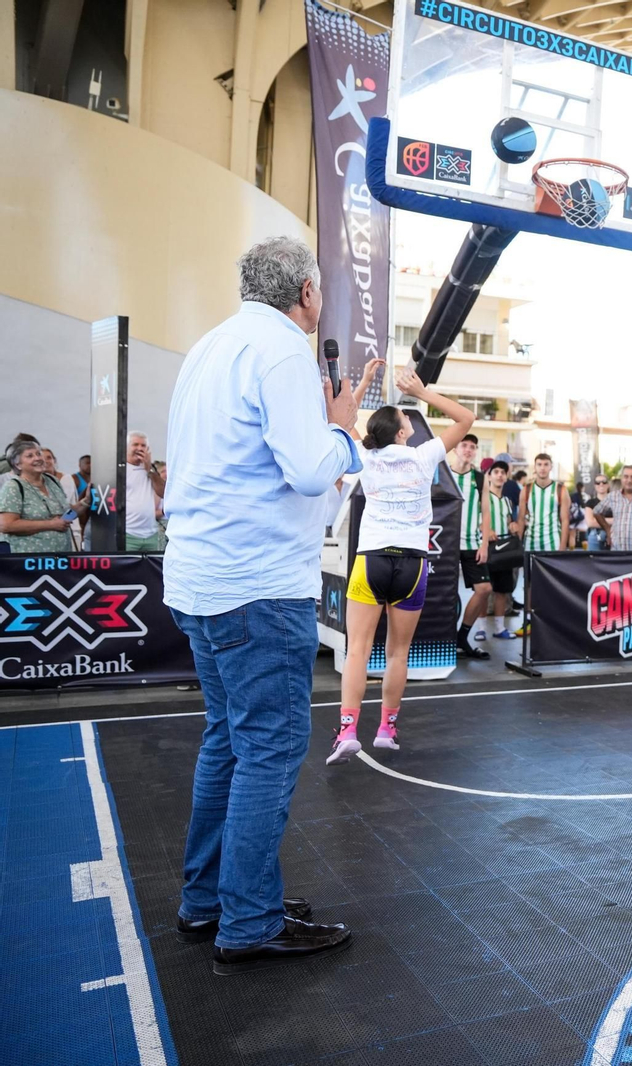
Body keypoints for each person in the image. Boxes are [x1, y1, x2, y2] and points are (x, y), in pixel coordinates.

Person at [162, 236, 370, 973]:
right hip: (256, 587)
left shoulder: (210, 346)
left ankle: (209, 899)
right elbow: (311, 471)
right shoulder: (283, 352)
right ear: (306, 292)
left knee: (228, 739)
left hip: (200, 578)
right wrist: (342, 427)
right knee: (269, 750)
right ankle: (248, 918)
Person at [327, 366, 472, 765]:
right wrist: (421, 393)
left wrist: (364, 383)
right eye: (406, 417)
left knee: (357, 650)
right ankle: (386, 729)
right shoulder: (424, 456)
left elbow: (341, 420)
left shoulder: (367, 457)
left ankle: (348, 731)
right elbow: (466, 419)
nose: (409, 418)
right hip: (412, 565)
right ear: (403, 432)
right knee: (398, 652)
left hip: (372, 559)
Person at [447, 434, 495, 659]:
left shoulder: (479, 478)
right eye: (464, 445)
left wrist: (484, 545)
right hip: (446, 543)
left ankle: (462, 637)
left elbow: (486, 513)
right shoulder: (443, 473)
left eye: (473, 447)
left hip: (471, 543)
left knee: (484, 589)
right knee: (443, 592)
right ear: (455, 449)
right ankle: (441, 637)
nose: (468, 449)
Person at [0, 439, 86, 552]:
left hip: (59, 557)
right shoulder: (14, 487)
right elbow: (6, 525)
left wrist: (85, 502)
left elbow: (65, 516)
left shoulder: (52, 481)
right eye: (30, 456)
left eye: (38, 453)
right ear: (18, 465)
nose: (38, 458)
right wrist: (51, 524)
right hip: (29, 558)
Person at [483, 461, 518, 639]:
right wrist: (485, 530)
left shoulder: (507, 501)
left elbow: (510, 522)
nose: (499, 475)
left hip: (503, 549)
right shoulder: (482, 498)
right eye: (495, 472)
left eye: (502, 472)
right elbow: (474, 521)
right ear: (489, 476)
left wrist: (513, 526)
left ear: (506, 476)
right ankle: (481, 628)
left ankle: (499, 628)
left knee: (502, 591)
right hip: (485, 548)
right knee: (483, 590)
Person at [122, 431, 167, 552]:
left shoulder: (151, 469)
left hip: (150, 533)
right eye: (135, 445)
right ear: (126, 448)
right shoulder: (121, 469)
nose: (140, 448)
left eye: (143, 446)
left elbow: (163, 492)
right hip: (128, 533)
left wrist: (150, 470)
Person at [517, 453, 569, 556]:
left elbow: (565, 520)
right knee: (529, 567)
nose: (542, 468)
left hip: (553, 541)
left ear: (551, 467)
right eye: (539, 464)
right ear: (535, 467)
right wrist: (518, 545)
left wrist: (563, 546)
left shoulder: (560, 489)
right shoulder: (526, 490)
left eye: (546, 464)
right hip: (531, 541)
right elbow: (521, 519)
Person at [594, 465, 632, 552]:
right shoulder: (613, 496)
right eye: (626, 477)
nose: (629, 480)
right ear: (621, 479)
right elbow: (596, 512)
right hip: (617, 552)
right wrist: (607, 529)